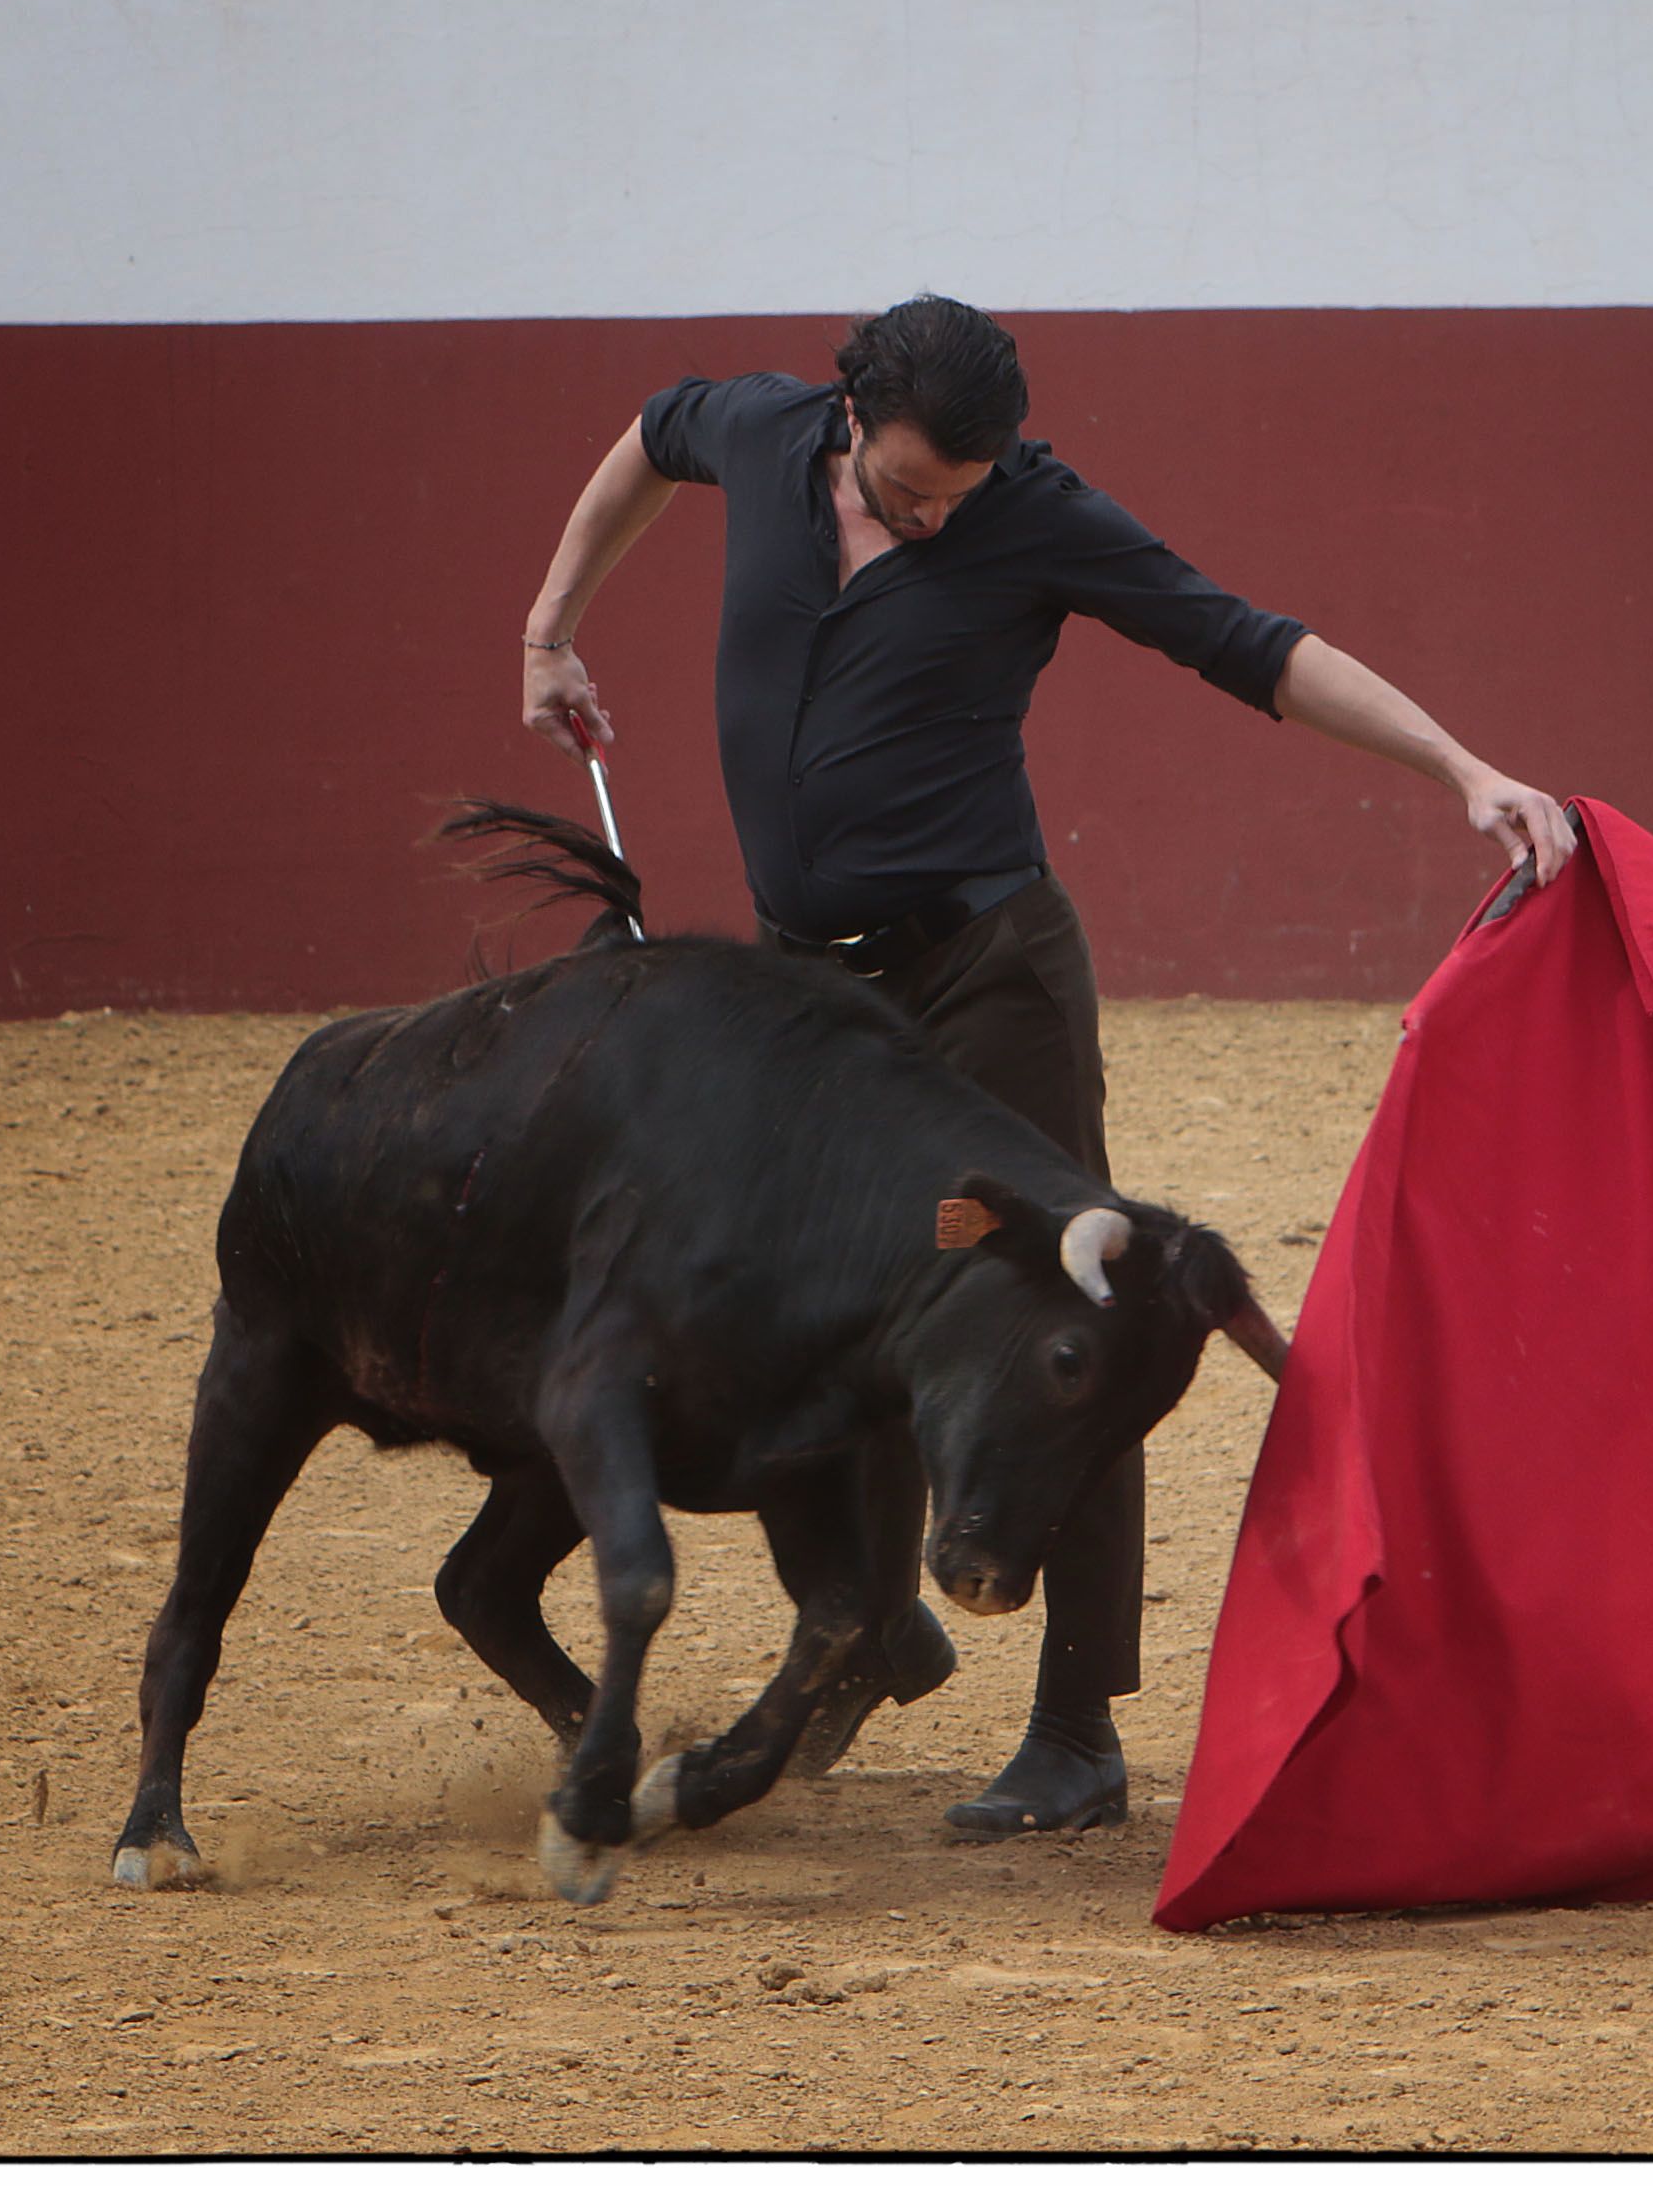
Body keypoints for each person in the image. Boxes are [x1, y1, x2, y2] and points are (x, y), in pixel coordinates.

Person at [519, 293, 1573, 1839]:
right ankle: (875, 1623)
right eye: (906, 488)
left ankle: (1075, 1729)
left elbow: (1253, 646)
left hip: (984, 981)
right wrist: (551, 626)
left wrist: (1463, 769)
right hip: (815, 1011)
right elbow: (640, 439)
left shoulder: (1032, 516)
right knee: (826, 1307)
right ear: (846, 416)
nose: (935, 514)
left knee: (1077, 1309)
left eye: (960, 491)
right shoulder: (753, 433)